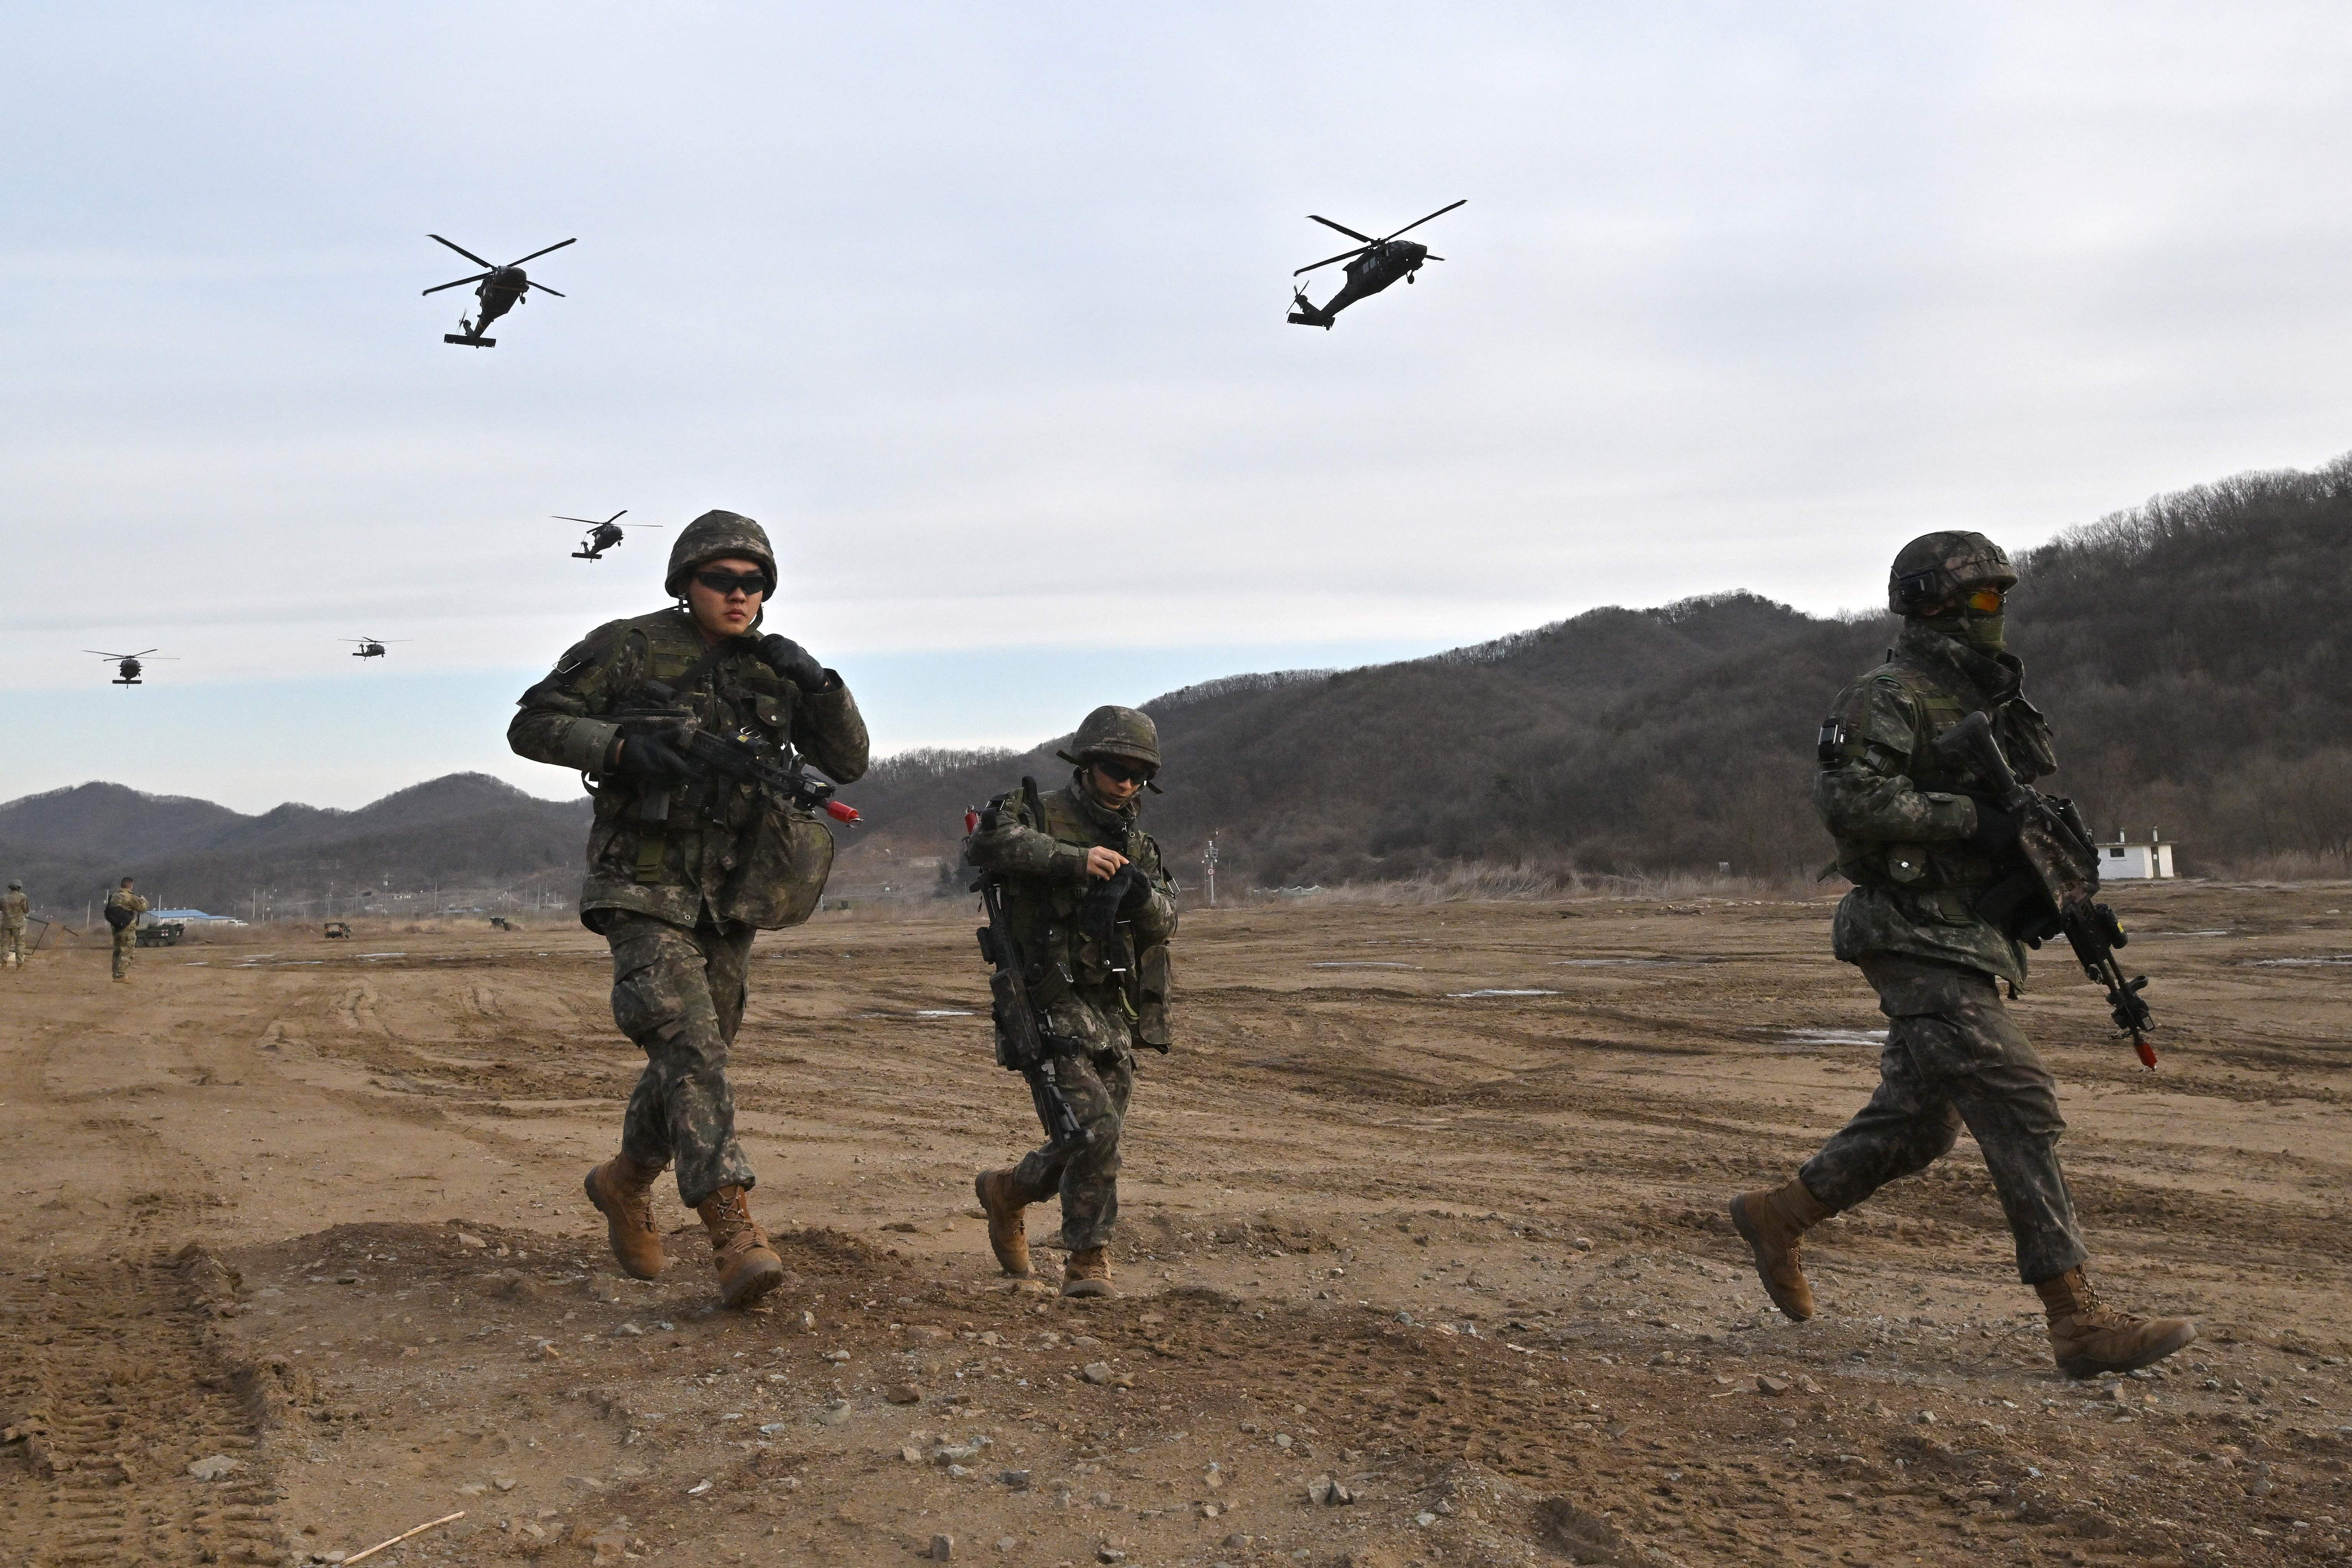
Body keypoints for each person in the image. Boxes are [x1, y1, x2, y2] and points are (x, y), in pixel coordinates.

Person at [1730, 531, 2196, 1379]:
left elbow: (2020, 821)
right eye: (1982, 599)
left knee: (1918, 1123)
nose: (1997, 613)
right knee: (2014, 1095)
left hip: (1967, 933)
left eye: (2000, 599)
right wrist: (1963, 821)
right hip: (1908, 928)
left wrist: (2069, 905)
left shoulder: (1987, 699)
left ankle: (1777, 1215)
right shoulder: (1883, 696)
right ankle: (2076, 1318)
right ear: (1930, 603)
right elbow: (1845, 797)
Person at [508, 510, 869, 1307]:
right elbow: (531, 723)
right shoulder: (629, 645)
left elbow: (848, 760)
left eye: (755, 582)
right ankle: (730, 1224)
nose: (740, 594)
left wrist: (818, 682)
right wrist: (621, 748)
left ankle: (625, 1179)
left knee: (689, 1062)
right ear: (685, 584)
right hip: (640, 884)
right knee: (691, 1048)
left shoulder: (771, 669)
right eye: (722, 580)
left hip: (729, 895)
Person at [967, 706, 1178, 1298]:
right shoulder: (1034, 812)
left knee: (1090, 1138)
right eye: (1117, 769)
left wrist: (1138, 895)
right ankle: (1087, 1258)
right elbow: (987, 845)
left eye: (1140, 775)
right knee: (1095, 1129)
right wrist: (1073, 859)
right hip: (1049, 1001)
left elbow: (1167, 920)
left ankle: (1008, 1190)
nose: (1128, 783)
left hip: (1112, 1007)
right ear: (1087, 765)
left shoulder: (1138, 842)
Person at [103, 877, 147, 983]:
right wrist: (143, 900)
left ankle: (116, 974)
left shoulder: (114, 897)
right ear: (131, 886)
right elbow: (143, 908)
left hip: (116, 928)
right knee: (127, 952)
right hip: (127, 928)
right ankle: (120, 976)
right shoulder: (130, 897)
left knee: (117, 952)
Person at [2, 880, 29, 968]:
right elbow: (26, 910)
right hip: (19, 925)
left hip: (6, 924)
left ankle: (4, 964)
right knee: (20, 944)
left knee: (5, 945)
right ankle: (19, 965)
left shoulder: (4, 898)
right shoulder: (23, 897)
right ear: (19, 888)